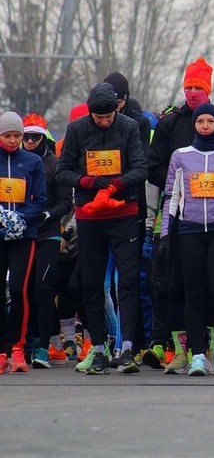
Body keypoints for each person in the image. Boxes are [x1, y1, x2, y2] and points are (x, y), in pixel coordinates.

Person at [147, 57, 214, 374]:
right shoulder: (170, 123)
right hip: (180, 217)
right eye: (188, 86)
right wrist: (184, 186)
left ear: (209, 90)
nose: (191, 92)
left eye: (198, 87)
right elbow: (155, 168)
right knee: (178, 287)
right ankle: (186, 350)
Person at [56, 83, 148, 374]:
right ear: (90, 112)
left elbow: (140, 169)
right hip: (90, 214)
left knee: (129, 280)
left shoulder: (130, 127)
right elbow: (63, 171)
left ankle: (127, 348)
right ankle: (97, 348)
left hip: (123, 212)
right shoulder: (77, 129)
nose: (105, 121)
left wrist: (117, 183)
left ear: (117, 109)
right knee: (91, 281)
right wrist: (89, 182)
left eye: (109, 116)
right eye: (99, 117)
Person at [22, 114, 73, 369]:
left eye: (35, 136)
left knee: (43, 290)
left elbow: (66, 202)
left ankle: (43, 347)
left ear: (44, 138)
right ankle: (27, 344)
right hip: (21, 234)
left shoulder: (55, 165)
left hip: (48, 233)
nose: (29, 141)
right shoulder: (14, 163)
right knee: (25, 291)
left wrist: (48, 214)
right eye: (26, 136)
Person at [0, 112, 47, 373]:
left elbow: (40, 199)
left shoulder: (32, 161)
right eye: (8, 135)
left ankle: (19, 347)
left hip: (23, 234)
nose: (14, 140)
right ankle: (1, 349)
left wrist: (19, 217)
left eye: (17, 135)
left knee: (19, 289)